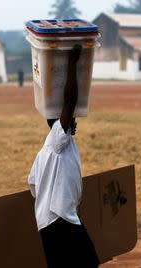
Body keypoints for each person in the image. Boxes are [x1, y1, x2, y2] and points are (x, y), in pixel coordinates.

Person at [28, 45, 99, 268]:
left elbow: (33, 186)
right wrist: (72, 62)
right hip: (60, 219)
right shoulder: (58, 139)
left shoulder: (45, 153)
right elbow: (69, 101)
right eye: (72, 119)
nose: (75, 122)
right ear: (60, 122)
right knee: (89, 262)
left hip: (51, 221)